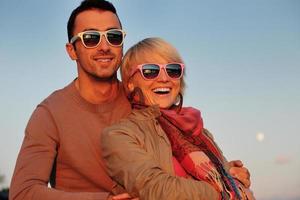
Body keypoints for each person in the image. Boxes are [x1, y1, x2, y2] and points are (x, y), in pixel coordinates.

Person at [9, 0, 135, 200]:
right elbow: (23, 193)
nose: (104, 46)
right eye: (91, 38)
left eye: (113, 36)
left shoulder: (140, 101)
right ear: (71, 51)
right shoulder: (50, 113)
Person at [101, 37, 255, 199]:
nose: (164, 78)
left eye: (173, 70)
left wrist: (233, 174)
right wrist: (224, 188)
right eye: (150, 71)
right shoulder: (120, 135)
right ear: (130, 82)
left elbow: (234, 182)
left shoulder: (198, 131)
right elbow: (159, 189)